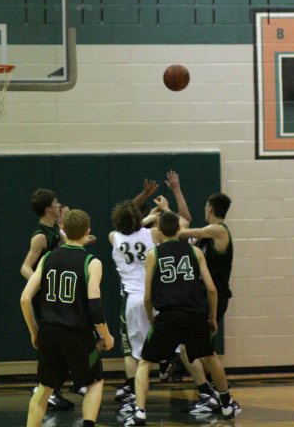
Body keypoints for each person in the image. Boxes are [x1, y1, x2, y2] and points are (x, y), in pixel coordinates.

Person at [123, 211, 236, 426]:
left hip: (168, 315)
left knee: (146, 363)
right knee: (211, 357)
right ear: (178, 229)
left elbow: (147, 297)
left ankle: (140, 412)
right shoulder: (195, 252)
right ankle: (227, 402)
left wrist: (151, 317)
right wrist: (212, 317)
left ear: (160, 230)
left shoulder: (153, 254)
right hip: (195, 314)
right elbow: (212, 290)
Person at [21, 209, 115, 427]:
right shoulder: (92, 262)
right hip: (77, 335)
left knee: (44, 388)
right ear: (87, 232)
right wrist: (107, 336)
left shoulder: (47, 258)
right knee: (95, 382)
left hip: (49, 333)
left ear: (63, 231)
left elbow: (25, 299)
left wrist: (34, 332)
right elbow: (95, 307)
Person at [157, 176, 241, 417]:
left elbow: (181, 231)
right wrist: (174, 196)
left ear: (211, 209)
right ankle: (213, 394)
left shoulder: (217, 230)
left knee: (204, 352)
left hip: (215, 298)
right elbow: (182, 227)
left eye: (205, 206)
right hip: (202, 300)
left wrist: (165, 211)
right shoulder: (207, 234)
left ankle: (223, 399)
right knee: (191, 349)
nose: (204, 209)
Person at [20, 188, 74, 410]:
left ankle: (51, 387)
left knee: (60, 343)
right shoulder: (40, 236)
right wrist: (40, 283)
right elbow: (24, 267)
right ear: (48, 208)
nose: (59, 203)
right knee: (51, 343)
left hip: (58, 296)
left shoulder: (56, 232)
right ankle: (45, 387)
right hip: (45, 298)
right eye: (56, 201)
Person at [108, 199, 162, 405]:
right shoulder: (152, 234)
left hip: (131, 298)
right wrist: (151, 217)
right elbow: (143, 228)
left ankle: (132, 391)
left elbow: (128, 229)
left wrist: (143, 219)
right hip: (153, 296)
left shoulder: (113, 237)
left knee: (131, 351)